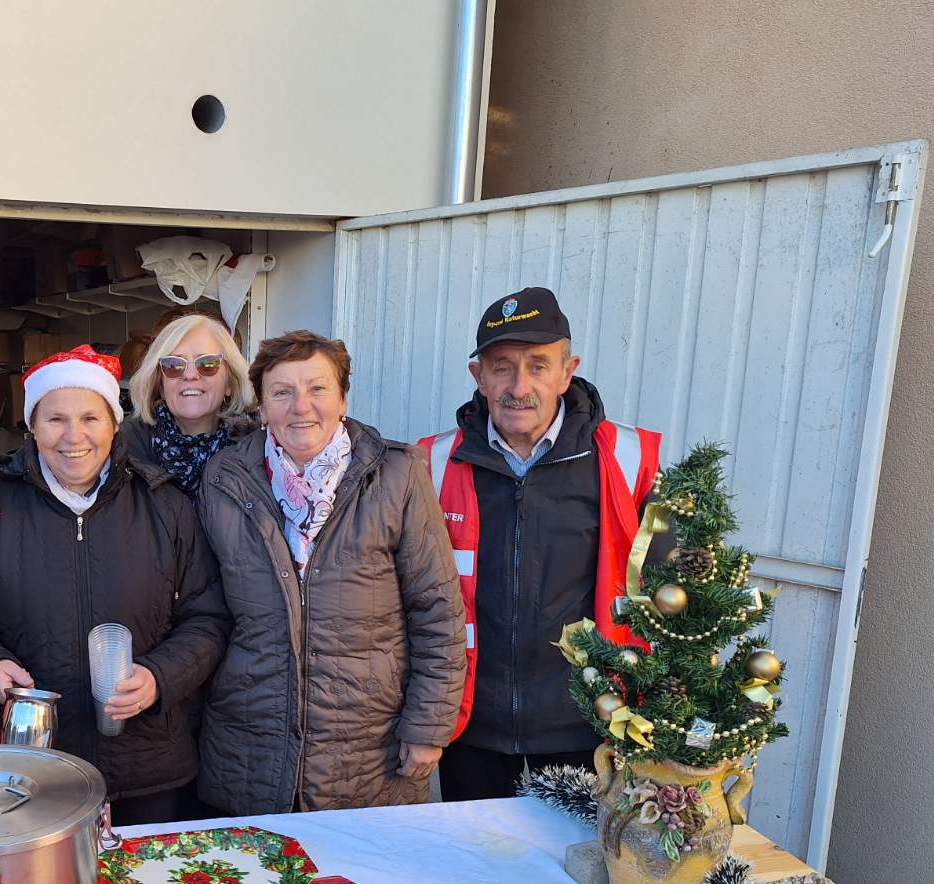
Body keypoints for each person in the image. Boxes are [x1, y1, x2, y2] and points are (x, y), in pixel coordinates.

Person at [0, 345, 229, 825]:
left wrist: (159, 678)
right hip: (34, 768)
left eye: (90, 418)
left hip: (149, 765)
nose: (73, 436)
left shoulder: (166, 508)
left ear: (113, 424)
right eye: (55, 419)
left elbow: (207, 618)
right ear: (33, 428)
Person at [196, 330, 465, 814]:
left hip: (368, 747)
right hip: (251, 741)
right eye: (282, 392)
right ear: (262, 407)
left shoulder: (398, 474)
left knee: (359, 863)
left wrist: (428, 726)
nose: (301, 407)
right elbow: (205, 612)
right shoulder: (223, 479)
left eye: (317, 388)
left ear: (342, 399)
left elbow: (437, 610)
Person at [418, 286, 662, 803]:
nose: (518, 386)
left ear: (567, 372)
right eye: (502, 367)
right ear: (478, 376)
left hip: (587, 722)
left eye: (538, 366)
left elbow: (668, 596)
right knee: (475, 853)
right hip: (471, 724)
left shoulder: (627, 460)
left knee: (576, 855)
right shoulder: (432, 463)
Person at [0, 312, 256, 523]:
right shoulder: (121, 440)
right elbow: (41, 467)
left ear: (230, 381)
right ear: (159, 381)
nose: (190, 375)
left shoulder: (256, 451)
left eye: (208, 364)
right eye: (173, 365)